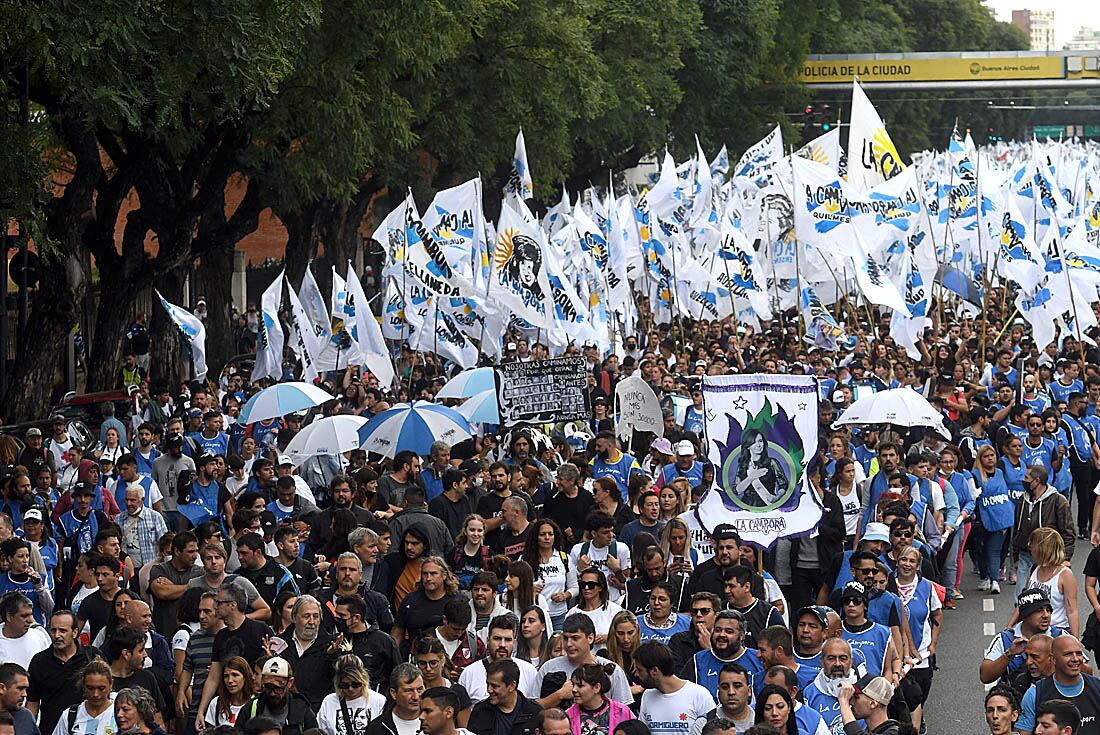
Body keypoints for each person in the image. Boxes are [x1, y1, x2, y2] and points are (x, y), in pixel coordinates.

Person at [26, 610, 99, 735]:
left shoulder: (91, 657)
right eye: (53, 630)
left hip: (88, 729)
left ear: (75, 632)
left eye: (63, 631)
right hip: (50, 729)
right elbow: (33, 703)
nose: (57, 635)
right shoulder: (39, 661)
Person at [537, 614, 633, 709]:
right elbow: (532, 708)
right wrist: (559, 695)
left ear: (590, 638)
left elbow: (623, 712)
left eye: (575, 638)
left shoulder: (612, 670)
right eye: (566, 638)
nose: (569, 644)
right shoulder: (549, 667)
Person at [981, 589, 1068, 685]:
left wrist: (1063, 657)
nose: (1046, 615)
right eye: (1039, 610)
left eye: (1048, 610)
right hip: (1015, 697)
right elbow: (985, 676)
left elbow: (1085, 671)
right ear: (1025, 615)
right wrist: (1009, 654)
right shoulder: (1005, 639)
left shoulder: (1061, 637)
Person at [1016, 636, 1099, 735]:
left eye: (1079, 654)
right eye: (1068, 654)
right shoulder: (1035, 694)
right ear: (1053, 659)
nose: (1075, 659)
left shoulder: (1097, 688)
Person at [681, 610, 763, 703]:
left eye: (729, 631)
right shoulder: (697, 661)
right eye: (718, 630)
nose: (721, 635)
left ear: (741, 636)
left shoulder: (758, 659)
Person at [635, 640, 714, 735]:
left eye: (640, 670)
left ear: (654, 671)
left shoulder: (700, 695)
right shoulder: (647, 695)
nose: (636, 674)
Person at [459, 614, 539, 703]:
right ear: (488, 641)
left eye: (508, 640)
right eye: (497, 639)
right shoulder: (469, 674)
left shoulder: (529, 671)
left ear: (514, 642)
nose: (502, 645)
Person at [1015, 528, 1079, 638]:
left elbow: (1072, 611)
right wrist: (1010, 626)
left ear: (1042, 549)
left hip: (1057, 632)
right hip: (1033, 630)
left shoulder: (1065, 576)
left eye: (1032, 547)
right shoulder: (1033, 569)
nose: (1030, 551)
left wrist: (1075, 640)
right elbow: (1024, 602)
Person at [233, 657, 319, 735]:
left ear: (290, 683)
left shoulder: (302, 711)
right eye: (268, 687)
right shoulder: (251, 709)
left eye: (278, 688)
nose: (272, 693)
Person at [278, 595, 335, 711]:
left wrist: (333, 656)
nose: (312, 622)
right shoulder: (279, 643)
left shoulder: (332, 645)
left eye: (316, 616)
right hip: (284, 709)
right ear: (294, 617)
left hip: (319, 712)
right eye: (306, 616)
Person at [392, 557, 458, 655]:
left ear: (444, 575)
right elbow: (397, 633)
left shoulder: (456, 601)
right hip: (414, 655)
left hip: (448, 656)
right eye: (425, 574)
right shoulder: (410, 600)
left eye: (433, 574)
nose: (428, 578)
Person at [520, 518, 577, 632]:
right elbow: (516, 586)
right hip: (533, 616)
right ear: (536, 537)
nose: (547, 538)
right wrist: (529, 589)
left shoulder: (564, 558)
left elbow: (575, 587)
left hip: (559, 615)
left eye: (550, 534)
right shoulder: (524, 559)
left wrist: (565, 595)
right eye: (542, 534)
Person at [467, 659, 543, 735]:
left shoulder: (534, 712)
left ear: (512, 686)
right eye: (488, 684)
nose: (489, 690)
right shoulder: (480, 711)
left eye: (495, 686)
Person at [148, 531, 203, 635]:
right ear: (177, 551)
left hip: (193, 635)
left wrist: (172, 587)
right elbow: (162, 592)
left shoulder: (200, 572)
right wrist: (192, 586)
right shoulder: (159, 569)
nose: (195, 556)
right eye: (190, 551)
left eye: (196, 551)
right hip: (164, 634)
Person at [316, 654, 386, 735]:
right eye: (344, 685)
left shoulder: (378, 701)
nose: (350, 689)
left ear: (363, 680)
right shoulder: (329, 701)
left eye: (355, 684)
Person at [566, 662, 637, 735]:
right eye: (573, 684)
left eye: (580, 685)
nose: (574, 689)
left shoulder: (622, 712)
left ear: (597, 687)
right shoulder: (568, 715)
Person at [723, 566, 783, 649]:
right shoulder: (720, 609)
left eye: (731, 586)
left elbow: (782, 644)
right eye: (725, 586)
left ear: (747, 587)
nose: (727, 591)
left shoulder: (769, 613)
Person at [52, 658, 116, 735]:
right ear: (83, 686)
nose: (95, 694)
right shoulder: (70, 715)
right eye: (90, 688)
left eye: (101, 688)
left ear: (111, 684)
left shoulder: (119, 715)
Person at [0, 539, 53, 625]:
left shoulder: (41, 578)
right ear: (10, 559)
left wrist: (39, 588)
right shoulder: (2, 580)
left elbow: (49, 609)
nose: (25, 560)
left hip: (34, 630)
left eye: (27, 556)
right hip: (9, 631)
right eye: (20, 556)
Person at [0, 592, 51, 669]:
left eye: (31, 614)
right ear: (9, 617)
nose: (30, 620)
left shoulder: (40, 635)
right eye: (24, 616)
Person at [573, 568, 625, 643]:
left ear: (600, 587)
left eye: (591, 585)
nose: (586, 588)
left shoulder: (614, 610)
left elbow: (626, 635)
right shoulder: (573, 613)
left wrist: (609, 638)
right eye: (583, 584)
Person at [202, 655, 255, 727]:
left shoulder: (256, 703)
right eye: (226, 676)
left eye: (235, 675)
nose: (229, 680)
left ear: (245, 677)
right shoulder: (216, 703)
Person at [0, 662, 38, 735]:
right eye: (20, 688)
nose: (25, 694)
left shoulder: (25, 716)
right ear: (1, 688)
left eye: (26, 689)